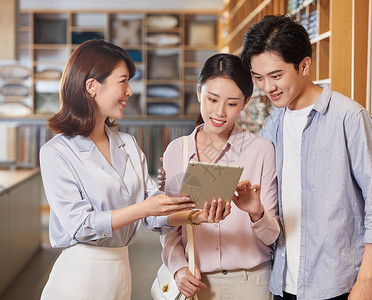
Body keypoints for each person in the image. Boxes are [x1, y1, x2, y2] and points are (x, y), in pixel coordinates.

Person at [240, 15, 372, 300]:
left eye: (276, 76)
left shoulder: (349, 117)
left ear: (304, 65)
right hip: (285, 282)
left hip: (340, 283)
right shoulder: (271, 125)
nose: (267, 88)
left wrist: (365, 280)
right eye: (258, 78)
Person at [39, 39, 195, 300]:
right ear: (92, 86)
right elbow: (80, 225)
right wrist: (144, 208)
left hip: (122, 272)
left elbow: (153, 212)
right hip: (80, 276)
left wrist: (192, 214)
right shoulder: (57, 152)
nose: (130, 91)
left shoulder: (128, 144)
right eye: (123, 81)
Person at [155, 53, 280, 300]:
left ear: (245, 103)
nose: (219, 112)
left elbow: (273, 236)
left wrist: (257, 213)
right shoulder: (177, 151)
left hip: (252, 283)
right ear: (199, 92)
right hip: (196, 282)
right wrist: (178, 268)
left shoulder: (261, 151)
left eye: (232, 104)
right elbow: (168, 227)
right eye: (212, 99)